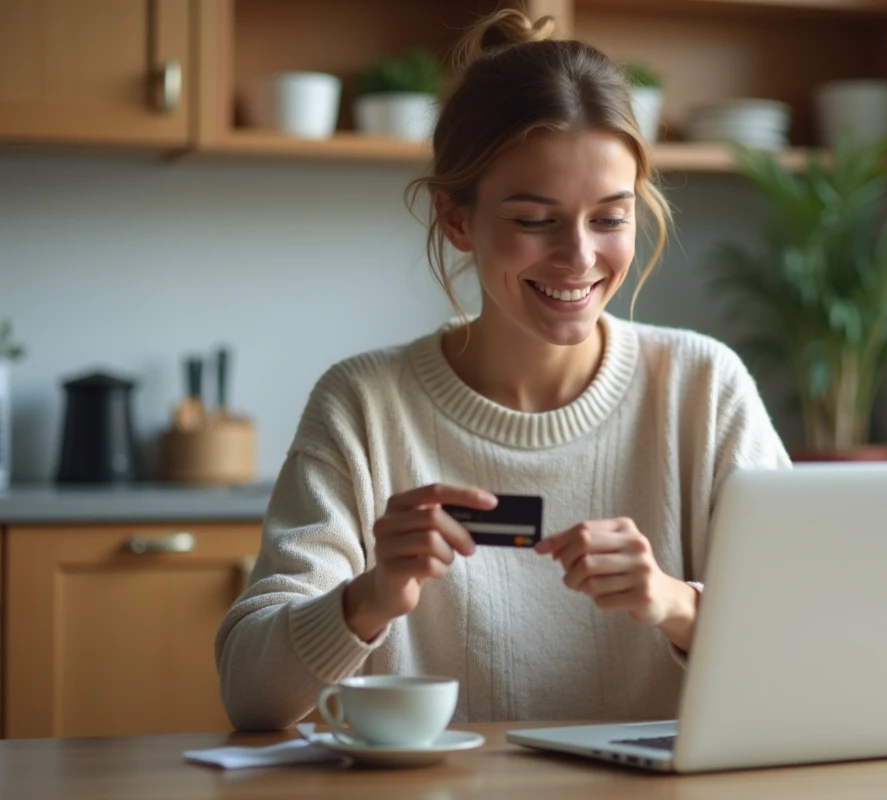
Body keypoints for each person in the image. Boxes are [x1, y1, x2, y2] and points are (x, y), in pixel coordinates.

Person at [215, 9, 790, 730]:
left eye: (609, 218)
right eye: (535, 220)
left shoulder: (705, 387)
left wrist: (674, 605)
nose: (579, 257)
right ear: (458, 220)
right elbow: (249, 695)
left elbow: (809, 653)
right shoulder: (362, 405)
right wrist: (370, 598)